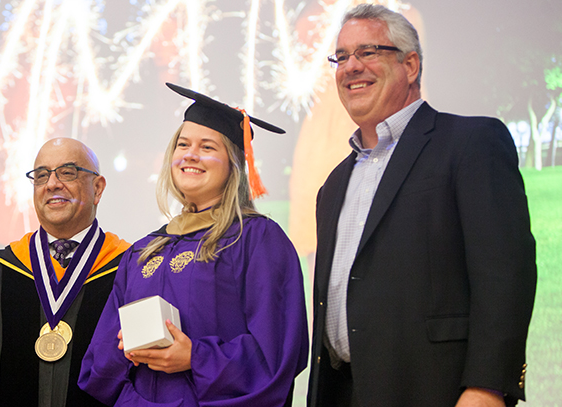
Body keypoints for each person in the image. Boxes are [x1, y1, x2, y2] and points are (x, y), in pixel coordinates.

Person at [307, 4, 537, 407]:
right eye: (341, 57)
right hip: (342, 392)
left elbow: (505, 273)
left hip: (437, 392)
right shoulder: (333, 184)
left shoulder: (470, 143)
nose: (350, 67)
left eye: (368, 52)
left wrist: (487, 386)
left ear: (410, 65)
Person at [78, 83, 309, 407]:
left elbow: (276, 357)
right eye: (182, 144)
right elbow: (99, 363)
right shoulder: (144, 251)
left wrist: (196, 358)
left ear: (233, 164)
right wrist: (126, 353)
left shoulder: (258, 241)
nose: (190, 155)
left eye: (207, 147)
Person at [0, 138, 131, 407]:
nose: (52, 184)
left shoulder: (131, 269)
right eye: (41, 176)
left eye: (67, 172)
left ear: (98, 188)